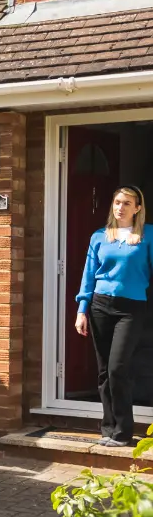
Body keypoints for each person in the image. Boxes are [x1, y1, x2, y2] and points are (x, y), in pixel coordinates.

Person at [75, 185, 153, 447]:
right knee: (104, 372)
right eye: (117, 202)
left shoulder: (148, 236)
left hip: (131, 308)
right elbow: (88, 274)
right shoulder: (99, 236)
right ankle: (108, 428)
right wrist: (82, 309)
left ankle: (123, 432)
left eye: (127, 203)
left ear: (138, 208)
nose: (121, 207)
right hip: (100, 306)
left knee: (118, 368)